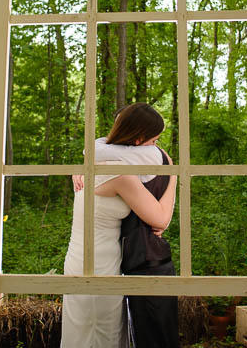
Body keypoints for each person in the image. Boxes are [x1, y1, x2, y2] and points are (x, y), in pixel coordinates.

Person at [61, 103, 176, 348]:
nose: (156, 148)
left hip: (83, 255)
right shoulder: (120, 173)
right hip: (98, 262)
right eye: (154, 141)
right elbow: (161, 219)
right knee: (100, 332)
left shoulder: (99, 160)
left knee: (92, 329)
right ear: (138, 140)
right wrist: (175, 176)